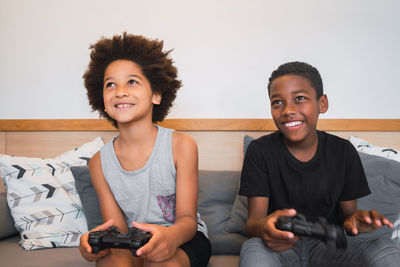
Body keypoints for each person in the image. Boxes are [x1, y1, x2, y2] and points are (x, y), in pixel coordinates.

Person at [238, 61, 400, 267]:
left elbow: (349, 218)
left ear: (322, 103)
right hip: (281, 248)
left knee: (386, 248)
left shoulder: (343, 151)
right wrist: (265, 226)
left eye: (300, 99)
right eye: (277, 102)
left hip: (331, 248)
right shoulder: (260, 150)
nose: (287, 110)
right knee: (253, 247)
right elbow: (253, 222)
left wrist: (355, 222)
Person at [78, 33, 211, 267]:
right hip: (132, 241)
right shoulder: (98, 163)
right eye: (111, 84)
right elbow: (117, 228)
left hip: (183, 237)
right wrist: (94, 246)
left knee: (162, 263)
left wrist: (169, 238)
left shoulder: (182, 145)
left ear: (157, 94)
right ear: (102, 99)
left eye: (132, 82)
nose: (120, 91)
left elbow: (188, 221)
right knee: (111, 263)